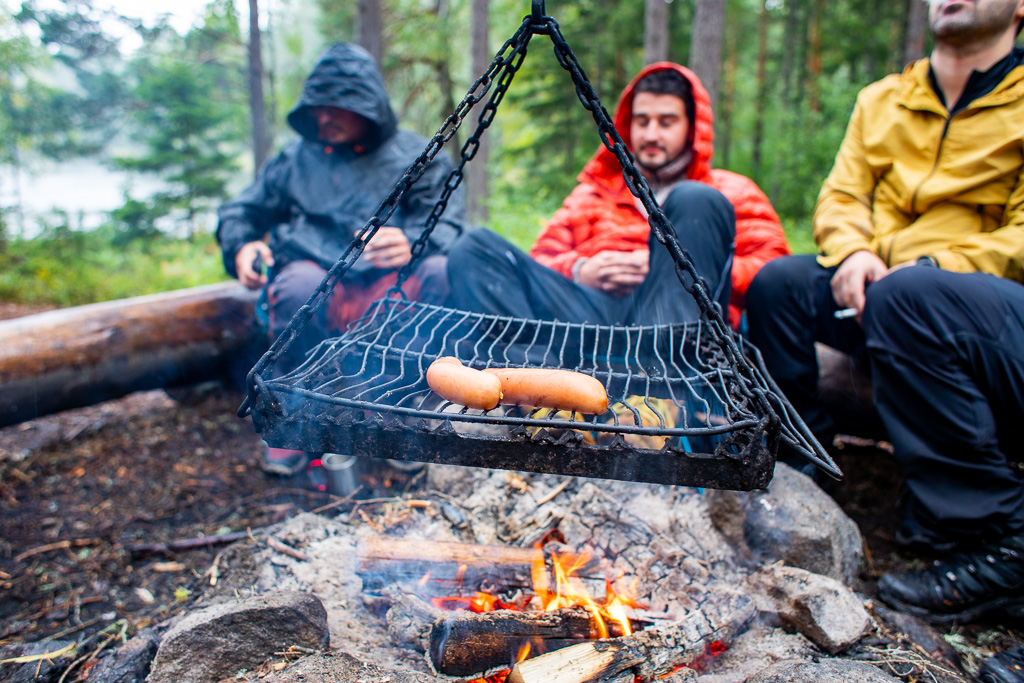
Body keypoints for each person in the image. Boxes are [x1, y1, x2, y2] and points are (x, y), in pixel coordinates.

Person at [745, 0, 1024, 647]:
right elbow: (842, 196)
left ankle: (990, 531)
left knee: (910, 292)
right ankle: (805, 473)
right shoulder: (884, 98)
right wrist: (853, 252)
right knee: (780, 285)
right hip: (891, 289)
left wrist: (922, 266)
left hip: (995, 312)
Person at [216, 42, 464, 476]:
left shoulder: (417, 153)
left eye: (336, 107)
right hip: (317, 279)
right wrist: (243, 244)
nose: (323, 118)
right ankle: (297, 420)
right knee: (295, 286)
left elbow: (449, 221)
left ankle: (403, 409)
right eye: (317, 108)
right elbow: (242, 211)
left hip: (389, 283)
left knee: (440, 270)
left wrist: (413, 242)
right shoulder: (295, 159)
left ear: (367, 107)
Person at [448, 62, 788, 329]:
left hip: (675, 336)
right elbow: (541, 258)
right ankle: (540, 383)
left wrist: (670, 267)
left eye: (666, 122)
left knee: (694, 198)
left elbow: (772, 272)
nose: (651, 134)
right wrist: (582, 270)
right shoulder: (592, 195)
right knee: (474, 248)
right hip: (589, 323)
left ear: (692, 128)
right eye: (642, 121)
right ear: (628, 126)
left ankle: (665, 386)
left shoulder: (729, 192)